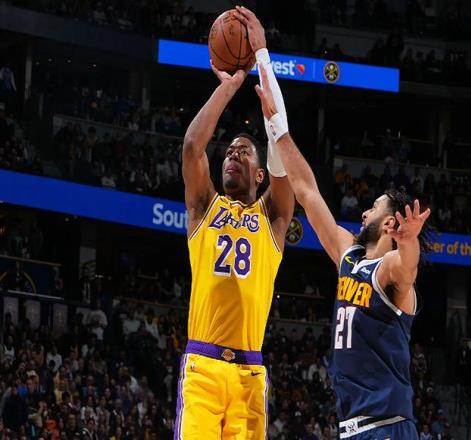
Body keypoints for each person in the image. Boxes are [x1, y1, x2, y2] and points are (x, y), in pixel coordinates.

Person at [254, 37, 432, 440]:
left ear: (390, 224)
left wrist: (409, 241)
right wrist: (277, 127)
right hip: (352, 427)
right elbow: (306, 191)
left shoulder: (390, 272)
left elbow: (407, 268)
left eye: (374, 208)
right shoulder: (348, 256)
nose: (364, 212)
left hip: (387, 427)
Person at [174, 7, 294, 439]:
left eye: (244, 151)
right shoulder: (204, 208)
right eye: (229, 151)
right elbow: (193, 146)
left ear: (261, 175)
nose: (232, 155)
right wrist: (226, 89)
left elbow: (282, 144)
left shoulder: (272, 217)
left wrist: (261, 55)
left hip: (248, 373)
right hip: (203, 367)